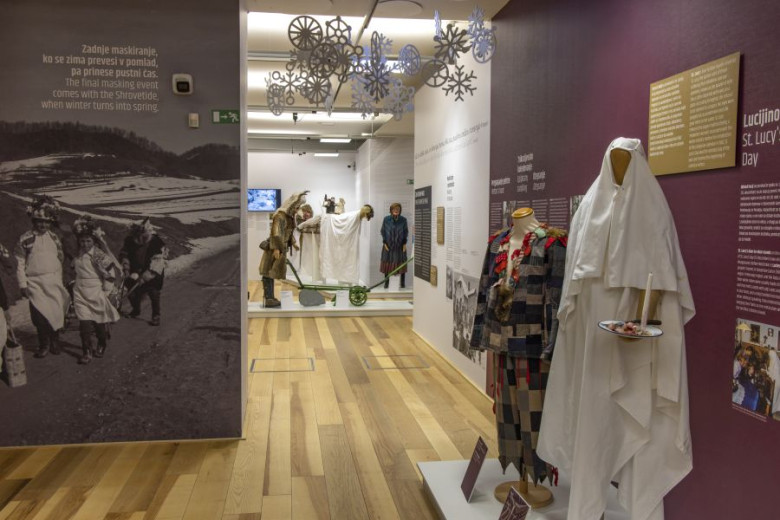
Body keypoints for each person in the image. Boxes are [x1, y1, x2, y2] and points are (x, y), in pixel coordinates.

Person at [537, 138, 695, 520]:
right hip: (594, 341)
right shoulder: (588, 207)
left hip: (637, 343)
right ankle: (587, 509)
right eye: (615, 161)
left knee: (643, 419)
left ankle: (642, 507)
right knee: (594, 421)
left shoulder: (652, 207)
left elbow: (666, 278)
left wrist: (650, 305)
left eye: (627, 162)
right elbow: (575, 285)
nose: (621, 169)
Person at [469, 207, 567, 506]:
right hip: (501, 341)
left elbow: (556, 297)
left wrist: (553, 345)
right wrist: (479, 335)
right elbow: (486, 289)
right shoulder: (497, 241)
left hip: (534, 345)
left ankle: (536, 473)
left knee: (534, 413)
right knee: (507, 412)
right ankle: (515, 469)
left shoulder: (552, 244)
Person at [14, 195, 69, 358]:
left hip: (53, 280)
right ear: (33, 221)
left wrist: (59, 279)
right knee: (39, 315)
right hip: (35, 282)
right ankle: (43, 344)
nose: (43, 224)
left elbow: (60, 259)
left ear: (50, 222)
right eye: (39, 221)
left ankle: (55, 341)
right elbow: (20, 262)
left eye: (46, 222)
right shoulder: (26, 239)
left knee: (56, 312)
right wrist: (22, 284)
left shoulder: (54, 238)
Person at [71, 216, 121, 364]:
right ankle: (86, 351)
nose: (85, 244)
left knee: (99, 323)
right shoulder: (77, 254)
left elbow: (111, 276)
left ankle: (101, 343)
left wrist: (105, 292)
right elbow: (76, 269)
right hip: (80, 292)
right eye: (82, 241)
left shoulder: (99, 256)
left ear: (94, 241)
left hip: (96, 292)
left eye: (88, 241)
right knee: (84, 325)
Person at [259, 191, 309, 307]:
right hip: (274, 249)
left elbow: (289, 233)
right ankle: (269, 299)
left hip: (280, 248)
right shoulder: (280, 216)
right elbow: (276, 233)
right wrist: (276, 248)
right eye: (296, 207)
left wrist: (294, 243)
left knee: (271, 272)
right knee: (268, 272)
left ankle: (270, 298)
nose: (297, 210)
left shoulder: (289, 218)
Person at [119, 218, 167, 326]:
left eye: (141, 233)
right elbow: (124, 254)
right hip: (134, 269)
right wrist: (126, 267)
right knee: (131, 291)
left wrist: (146, 276)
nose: (138, 237)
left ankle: (156, 315)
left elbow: (158, 261)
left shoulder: (156, 242)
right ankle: (136, 310)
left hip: (153, 271)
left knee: (153, 292)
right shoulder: (129, 240)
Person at [319, 204, 374, 284]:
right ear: (365, 213)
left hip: (349, 243)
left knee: (348, 261)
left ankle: (346, 280)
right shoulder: (355, 215)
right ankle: (344, 280)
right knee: (344, 260)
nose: (365, 218)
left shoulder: (356, 216)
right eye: (366, 216)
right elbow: (343, 220)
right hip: (330, 222)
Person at [380, 203, 409, 289]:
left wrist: (404, 243)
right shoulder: (386, 219)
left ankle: (402, 283)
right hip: (388, 246)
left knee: (401, 263)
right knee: (387, 263)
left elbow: (405, 232)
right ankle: (386, 283)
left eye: (398, 209)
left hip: (400, 247)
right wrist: (385, 242)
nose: (396, 210)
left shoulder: (403, 220)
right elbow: (383, 231)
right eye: (394, 209)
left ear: (400, 210)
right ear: (391, 210)